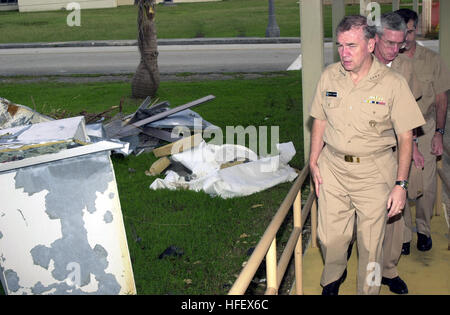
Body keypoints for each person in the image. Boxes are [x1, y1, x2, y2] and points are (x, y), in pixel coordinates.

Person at [309, 15, 425, 295]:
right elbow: (320, 120)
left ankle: (368, 291)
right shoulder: (329, 75)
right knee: (330, 237)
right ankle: (334, 274)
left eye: (351, 46)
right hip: (333, 168)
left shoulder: (392, 83)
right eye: (339, 46)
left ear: (371, 44)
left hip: (374, 172)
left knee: (371, 246)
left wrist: (400, 184)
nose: (343, 53)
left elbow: (405, 136)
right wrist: (313, 160)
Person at [372, 12, 422, 295]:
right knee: (365, 215)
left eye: (400, 44)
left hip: (394, 151)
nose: (394, 50)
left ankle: (389, 269)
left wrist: (413, 148)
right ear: (376, 38)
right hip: (366, 151)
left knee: (393, 212)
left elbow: (410, 119)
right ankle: (367, 265)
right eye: (389, 43)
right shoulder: (360, 64)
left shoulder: (407, 68)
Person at [395, 8, 450, 252]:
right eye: (401, 32)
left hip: (425, 128)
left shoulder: (432, 60)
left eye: (409, 31)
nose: (405, 38)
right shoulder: (389, 60)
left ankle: (423, 230)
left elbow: (441, 99)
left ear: (415, 29)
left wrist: (439, 132)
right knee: (401, 181)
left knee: (426, 184)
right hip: (398, 129)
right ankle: (404, 233)